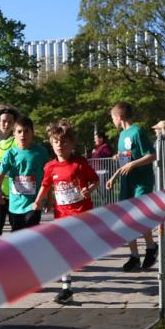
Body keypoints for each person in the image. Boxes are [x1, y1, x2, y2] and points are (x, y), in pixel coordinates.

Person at [32, 120, 99, 304]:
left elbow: (95, 180)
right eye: (56, 142)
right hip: (61, 215)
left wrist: (89, 189)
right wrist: (38, 200)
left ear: (71, 144)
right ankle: (66, 288)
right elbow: (46, 185)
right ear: (51, 144)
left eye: (64, 142)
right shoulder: (50, 166)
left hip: (81, 213)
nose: (60, 146)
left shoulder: (79, 163)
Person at [106, 102, 158, 271]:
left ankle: (151, 247)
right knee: (126, 220)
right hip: (126, 183)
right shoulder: (121, 136)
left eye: (113, 118)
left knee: (139, 217)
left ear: (119, 117)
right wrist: (114, 177)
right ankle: (134, 255)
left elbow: (151, 155)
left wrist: (133, 164)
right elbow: (125, 162)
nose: (113, 121)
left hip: (141, 183)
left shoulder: (138, 132)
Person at [0, 116, 49, 231]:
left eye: (26, 131)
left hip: (34, 203)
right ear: (14, 134)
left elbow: (48, 177)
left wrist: (49, 199)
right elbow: (0, 175)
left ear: (32, 133)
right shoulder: (10, 153)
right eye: (19, 131)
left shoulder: (41, 152)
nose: (22, 135)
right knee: (17, 235)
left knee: (30, 231)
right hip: (15, 205)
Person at [0, 105, 20, 237]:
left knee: (16, 225)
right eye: (3, 121)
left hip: (15, 190)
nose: (6, 124)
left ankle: (17, 253)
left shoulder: (18, 140)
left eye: (10, 121)